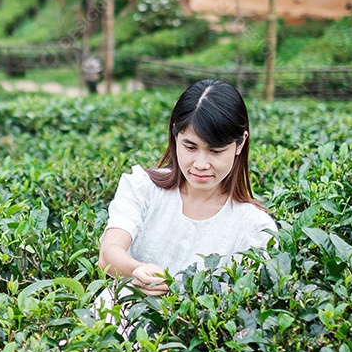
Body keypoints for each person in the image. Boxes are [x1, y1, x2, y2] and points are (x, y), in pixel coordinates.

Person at [98, 79, 276, 298]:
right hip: (117, 322)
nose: (201, 164)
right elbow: (108, 253)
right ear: (175, 137)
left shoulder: (255, 228)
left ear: (240, 144)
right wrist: (135, 270)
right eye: (190, 147)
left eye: (216, 151)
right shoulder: (143, 187)